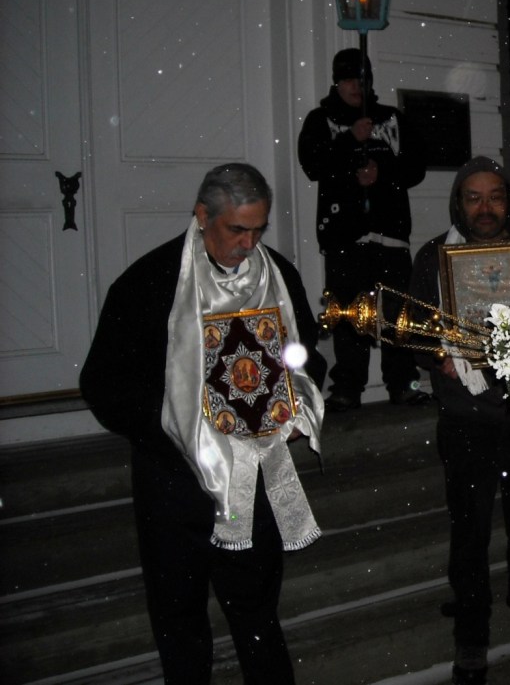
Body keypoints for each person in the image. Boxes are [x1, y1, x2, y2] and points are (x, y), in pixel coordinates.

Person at [80, 163, 326, 684]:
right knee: (179, 619)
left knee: (257, 615)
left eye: (258, 229)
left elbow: (306, 359)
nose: (249, 242)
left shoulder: (277, 275)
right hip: (174, 484)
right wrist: (180, 422)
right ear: (202, 215)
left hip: (252, 482)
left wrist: (295, 405)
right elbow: (102, 384)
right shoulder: (150, 282)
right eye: (237, 229)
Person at [408, 156, 510, 685]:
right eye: (473, 197)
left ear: (508, 200)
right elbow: (416, 330)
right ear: (459, 203)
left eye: (495, 196)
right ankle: (472, 641)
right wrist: (439, 356)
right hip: (467, 420)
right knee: (470, 537)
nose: (485, 207)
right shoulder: (434, 256)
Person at [297, 48, 428, 409]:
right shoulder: (320, 119)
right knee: (347, 313)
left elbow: (416, 167)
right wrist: (348, 140)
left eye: (362, 78)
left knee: (396, 313)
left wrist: (382, 173)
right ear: (336, 82)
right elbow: (313, 163)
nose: (356, 85)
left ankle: (403, 383)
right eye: (348, 78)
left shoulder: (392, 119)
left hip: (391, 234)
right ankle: (347, 388)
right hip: (344, 236)